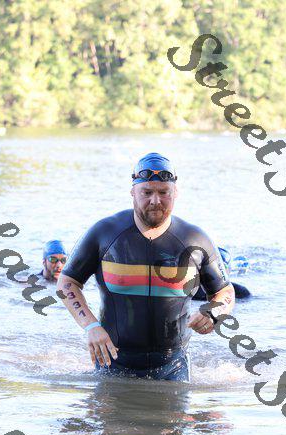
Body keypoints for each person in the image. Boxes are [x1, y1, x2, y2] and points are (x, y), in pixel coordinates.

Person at [57, 152, 235, 383]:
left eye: (163, 192)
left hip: (173, 365)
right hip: (112, 361)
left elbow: (225, 290)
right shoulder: (104, 233)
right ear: (133, 192)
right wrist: (90, 326)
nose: (155, 201)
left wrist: (215, 312)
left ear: (175, 193)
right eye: (147, 192)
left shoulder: (195, 239)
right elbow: (67, 282)